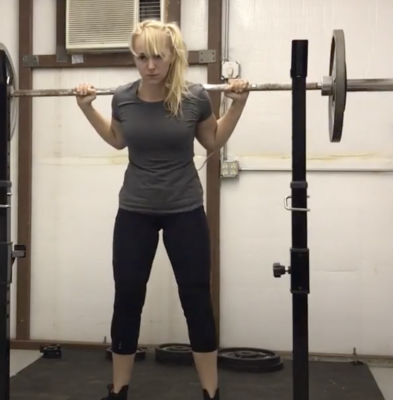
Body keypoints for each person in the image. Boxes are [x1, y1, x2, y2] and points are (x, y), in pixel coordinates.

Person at [74, 19, 249, 400]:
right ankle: (118, 390)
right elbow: (117, 139)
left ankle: (211, 392)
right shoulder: (122, 98)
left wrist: (238, 105)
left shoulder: (194, 97)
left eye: (157, 56)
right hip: (135, 210)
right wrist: (87, 109)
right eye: (142, 57)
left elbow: (212, 140)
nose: (150, 65)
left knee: (196, 298)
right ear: (133, 58)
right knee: (128, 297)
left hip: (185, 209)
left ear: (172, 56)